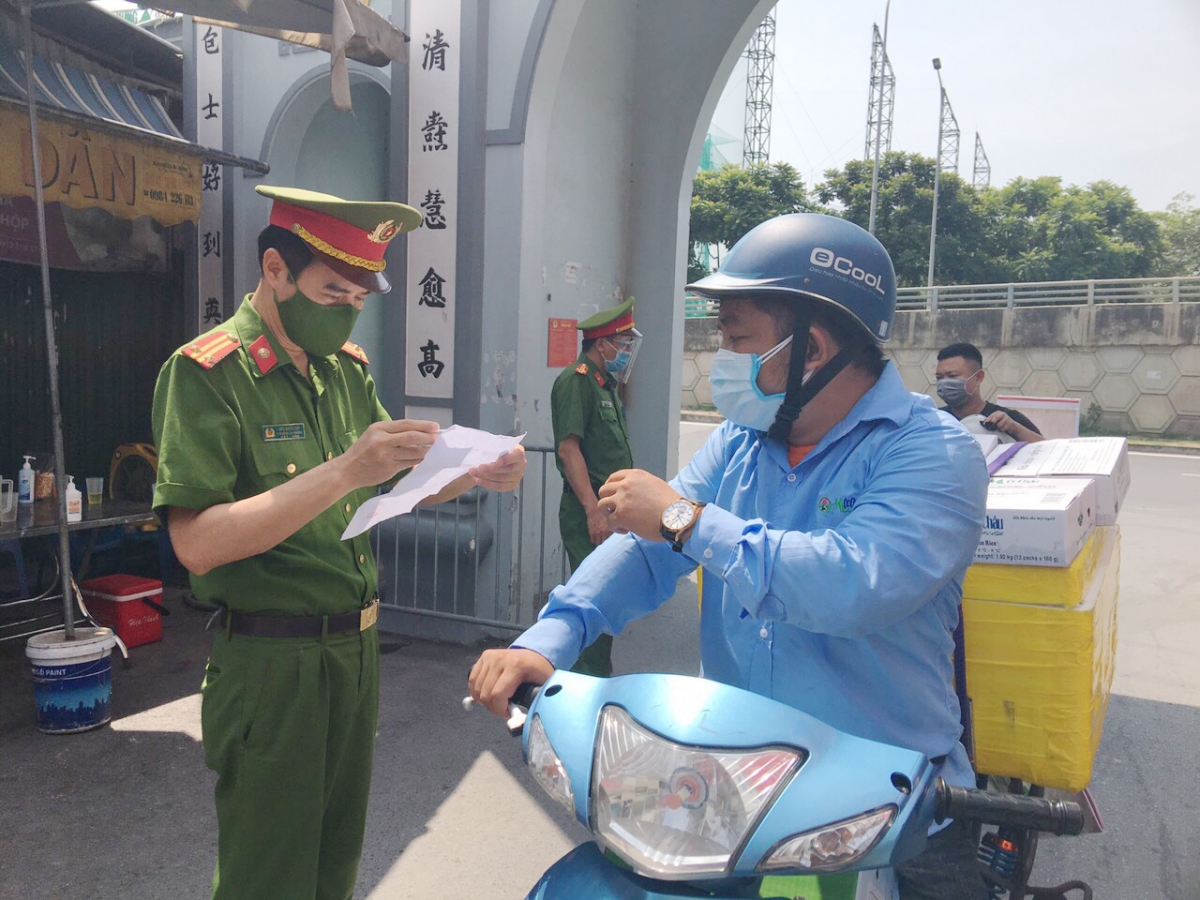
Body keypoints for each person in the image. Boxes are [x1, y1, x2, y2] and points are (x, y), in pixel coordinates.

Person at [470, 214, 990, 899]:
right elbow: (644, 551)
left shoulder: (932, 452)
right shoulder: (745, 441)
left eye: (737, 338)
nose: (721, 357)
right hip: (744, 791)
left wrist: (686, 521)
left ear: (811, 350)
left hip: (883, 807)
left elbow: (856, 583)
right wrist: (554, 635)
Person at [151, 185, 526, 900]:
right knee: (269, 878)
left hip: (352, 654)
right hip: (271, 665)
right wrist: (344, 469)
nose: (350, 309)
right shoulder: (208, 375)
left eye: (361, 296)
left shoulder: (342, 373)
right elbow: (195, 544)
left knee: (332, 871)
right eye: (333, 292)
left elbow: (391, 487)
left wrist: (476, 473)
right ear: (275, 270)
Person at [550, 296, 641, 677]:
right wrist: (593, 511)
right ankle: (585, 682)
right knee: (592, 598)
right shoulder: (577, 381)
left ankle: (594, 676)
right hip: (591, 512)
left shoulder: (605, 385)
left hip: (609, 512)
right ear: (601, 343)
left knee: (607, 598)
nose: (623, 351)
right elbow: (570, 450)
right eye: (620, 344)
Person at [935, 342, 1044, 442]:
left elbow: (1048, 450)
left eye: (952, 376)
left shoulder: (1005, 420)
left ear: (978, 377)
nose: (944, 383)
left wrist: (1015, 429)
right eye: (939, 377)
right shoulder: (933, 419)